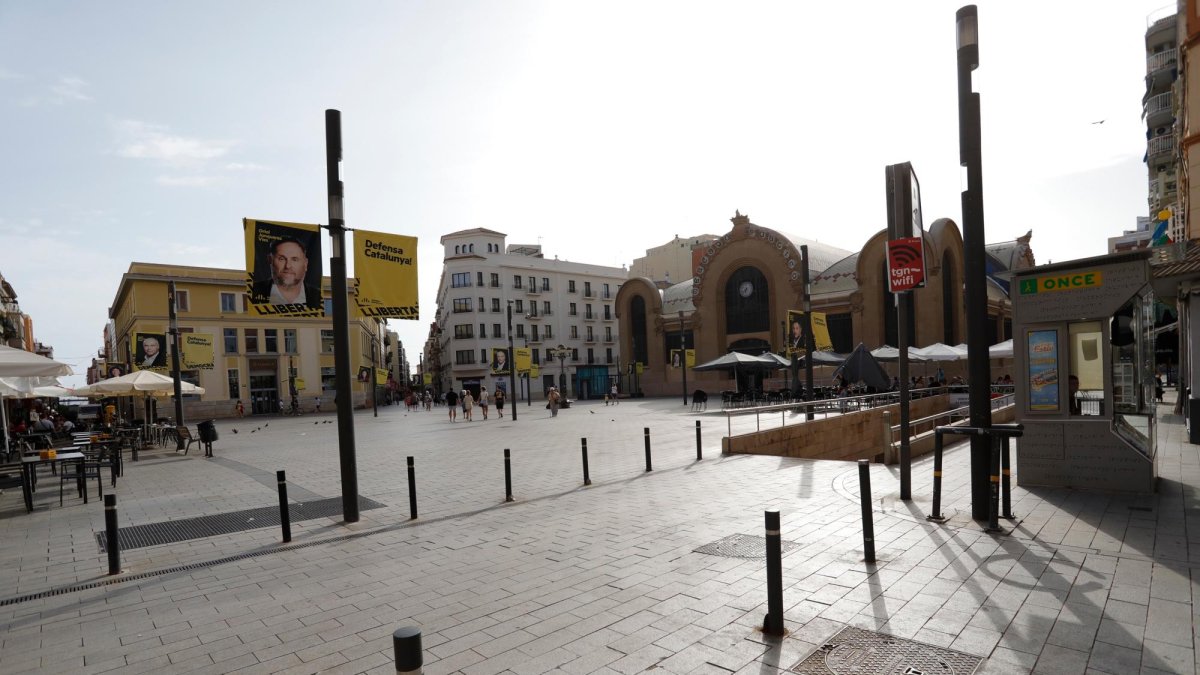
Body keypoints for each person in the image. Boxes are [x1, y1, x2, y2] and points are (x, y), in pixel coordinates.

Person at [251, 237, 322, 309]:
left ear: (305, 264)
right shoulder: (253, 292)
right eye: (281, 259)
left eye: (294, 259)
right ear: (270, 260)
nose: (288, 266)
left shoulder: (318, 297)